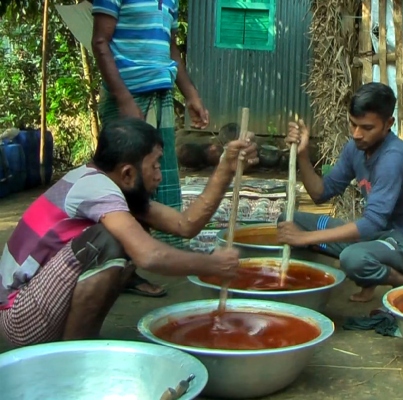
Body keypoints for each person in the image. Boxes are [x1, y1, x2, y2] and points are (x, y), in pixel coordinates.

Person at [0, 117, 258, 347]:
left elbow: (185, 224)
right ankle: (74, 357)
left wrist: (225, 168)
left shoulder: (111, 185)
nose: (159, 175)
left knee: (129, 234)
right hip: (20, 318)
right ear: (127, 173)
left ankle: (82, 344)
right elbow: (150, 256)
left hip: (37, 305)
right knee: (110, 241)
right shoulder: (96, 188)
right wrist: (211, 264)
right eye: (155, 165)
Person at [92, 0, 208, 296]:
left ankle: (133, 266)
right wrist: (123, 99)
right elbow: (100, 40)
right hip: (128, 97)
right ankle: (115, 267)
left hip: (160, 96)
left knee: (153, 182)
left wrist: (191, 94)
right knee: (122, 188)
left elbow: (171, 50)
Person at [278, 82, 403, 302]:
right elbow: (320, 193)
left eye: (367, 128)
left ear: (388, 124)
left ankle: (400, 280)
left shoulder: (393, 158)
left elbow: (371, 223)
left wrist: (306, 238)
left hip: (402, 245)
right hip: (370, 239)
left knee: (353, 258)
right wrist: (303, 154)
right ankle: (363, 277)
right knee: (289, 220)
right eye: (353, 124)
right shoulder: (356, 148)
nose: (357, 134)